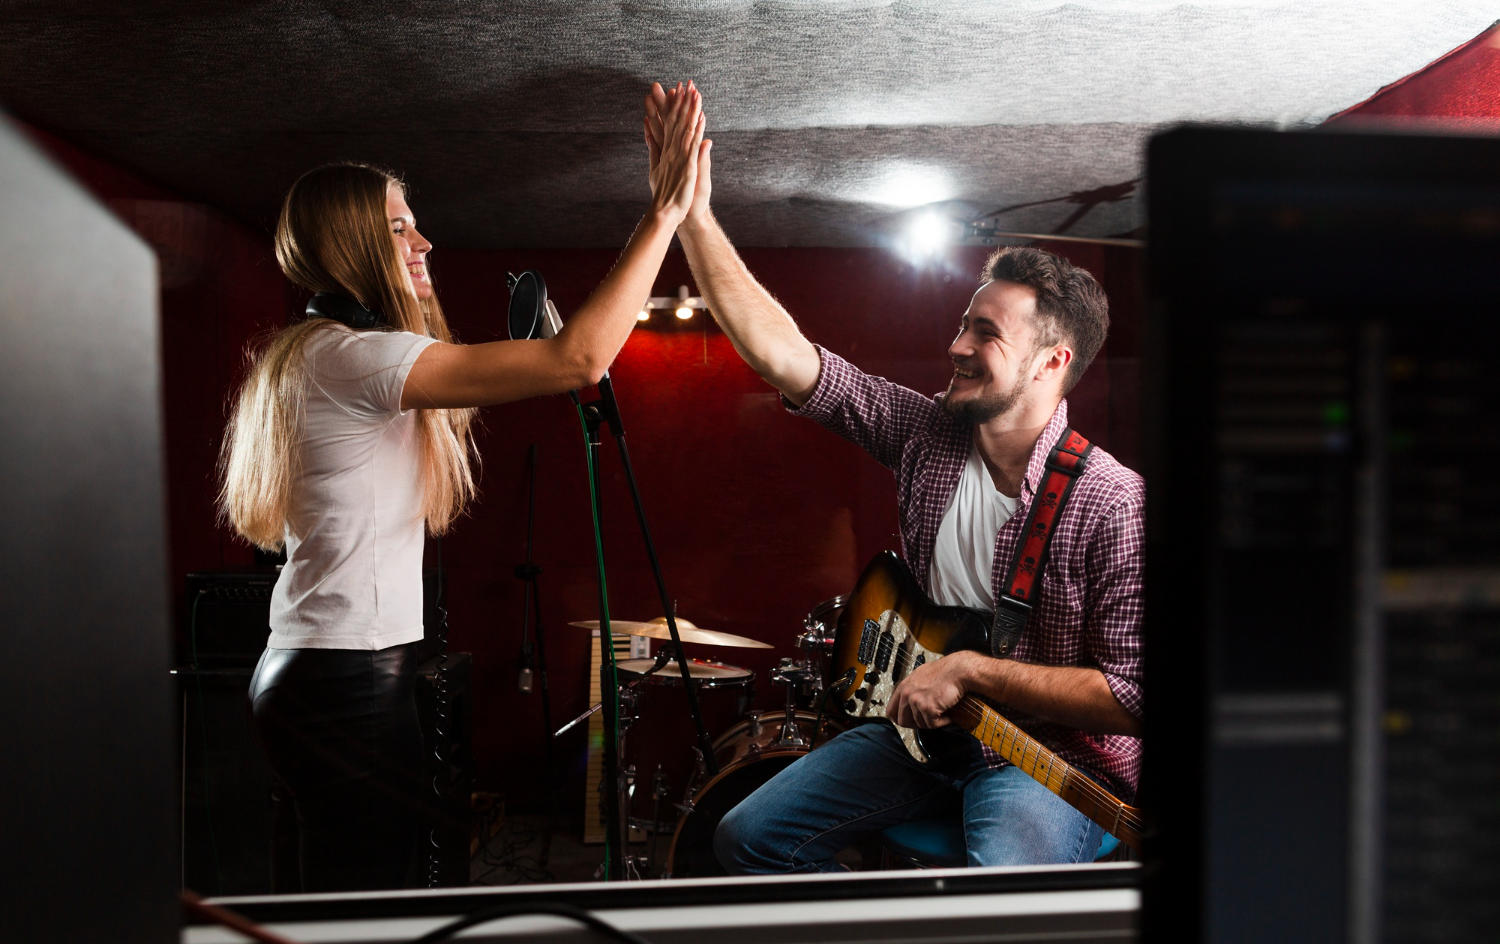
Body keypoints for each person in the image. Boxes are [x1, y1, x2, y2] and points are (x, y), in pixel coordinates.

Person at [217, 84, 706, 892]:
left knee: (367, 901)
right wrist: (664, 214)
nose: (424, 239)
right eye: (398, 225)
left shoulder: (329, 353)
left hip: (331, 674)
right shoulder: (353, 357)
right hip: (342, 681)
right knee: (373, 912)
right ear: (348, 242)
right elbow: (576, 361)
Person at [643, 83, 1144, 871]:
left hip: (1047, 759)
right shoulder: (928, 436)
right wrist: (693, 216)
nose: (955, 345)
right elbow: (788, 356)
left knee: (996, 899)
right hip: (923, 740)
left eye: (985, 333)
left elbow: (1135, 696)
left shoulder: (1112, 503)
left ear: (1054, 362)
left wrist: (972, 669)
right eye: (960, 323)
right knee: (745, 837)